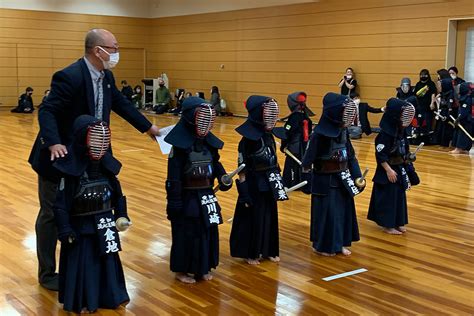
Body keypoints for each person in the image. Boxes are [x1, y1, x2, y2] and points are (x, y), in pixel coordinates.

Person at [28, 28, 160, 291]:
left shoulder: (106, 76)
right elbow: (48, 111)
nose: (116, 52)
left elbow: (122, 105)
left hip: (91, 156)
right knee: (52, 214)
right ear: (97, 50)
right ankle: (47, 272)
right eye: (113, 47)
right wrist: (53, 142)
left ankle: (80, 267)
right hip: (60, 156)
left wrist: (149, 129)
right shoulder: (70, 76)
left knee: (86, 210)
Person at [53, 115, 131, 313]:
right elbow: (60, 205)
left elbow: (118, 194)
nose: (99, 143)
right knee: (85, 264)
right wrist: (65, 229)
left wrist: (121, 215)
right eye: (94, 138)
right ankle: (84, 299)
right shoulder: (70, 172)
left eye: (102, 139)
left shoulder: (107, 168)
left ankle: (111, 295)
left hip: (105, 226)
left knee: (107, 262)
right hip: (82, 230)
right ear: (82, 139)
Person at [165, 97, 232, 283]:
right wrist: (174, 203)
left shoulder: (209, 143)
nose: (205, 124)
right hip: (187, 196)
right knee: (187, 233)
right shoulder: (178, 148)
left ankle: (203, 267)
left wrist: (223, 178)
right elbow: (174, 178)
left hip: (207, 195)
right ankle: (182, 270)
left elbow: (215, 163)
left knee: (207, 231)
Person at [301, 92, 364, 256]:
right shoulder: (319, 135)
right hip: (324, 181)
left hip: (342, 179)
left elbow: (350, 156)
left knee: (342, 212)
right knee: (327, 214)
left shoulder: (344, 132)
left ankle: (340, 242)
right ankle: (323, 245)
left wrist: (357, 176)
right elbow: (308, 161)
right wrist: (308, 180)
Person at [230, 96, 287, 265]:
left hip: (269, 182)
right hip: (254, 184)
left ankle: (268, 249)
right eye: (268, 113)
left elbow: (274, 159)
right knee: (253, 218)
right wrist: (244, 192)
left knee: (269, 216)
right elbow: (242, 169)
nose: (272, 117)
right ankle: (251, 252)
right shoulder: (246, 140)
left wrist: (279, 182)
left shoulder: (269, 136)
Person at [367, 98, 418, 235]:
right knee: (388, 197)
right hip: (387, 171)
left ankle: (397, 222)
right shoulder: (384, 135)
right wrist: (388, 170)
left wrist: (408, 157)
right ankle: (387, 225)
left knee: (399, 196)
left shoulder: (401, 132)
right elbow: (380, 154)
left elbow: (405, 149)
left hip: (399, 167)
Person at [276, 91, 313, 191]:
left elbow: (287, 133)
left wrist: (283, 146)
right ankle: (304, 183)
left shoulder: (293, 118)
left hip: (294, 147)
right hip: (304, 147)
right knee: (303, 165)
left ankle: (292, 183)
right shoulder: (306, 117)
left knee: (292, 165)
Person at [450, 82, 472, 154]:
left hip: (466, 120)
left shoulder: (467, 99)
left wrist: (458, 118)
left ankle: (459, 148)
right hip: (467, 119)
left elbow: (464, 111)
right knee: (466, 134)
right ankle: (465, 149)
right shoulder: (466, 97)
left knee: (462, 134)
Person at [413, 69, 437, 136]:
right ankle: (419, 134)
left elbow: (433, 93)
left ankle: (428, 136)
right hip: (420, 106)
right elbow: (415, 94)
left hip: (428, 107)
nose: (423, 76)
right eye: (421, 75)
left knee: (428, 122)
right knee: (419, 122)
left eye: (425, 75)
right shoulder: (418, 84)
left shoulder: (431, 83)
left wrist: (432, 103)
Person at [433, 78, 455, 147]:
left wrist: (448, 115)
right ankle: (440, 142)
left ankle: (446, 144)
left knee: (446, 130)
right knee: (440, 128)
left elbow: (450, 106)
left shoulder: (451, 94)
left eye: (440, 86)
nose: (439, 88)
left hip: (447, 115)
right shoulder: (442, 94)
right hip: (442, 113)